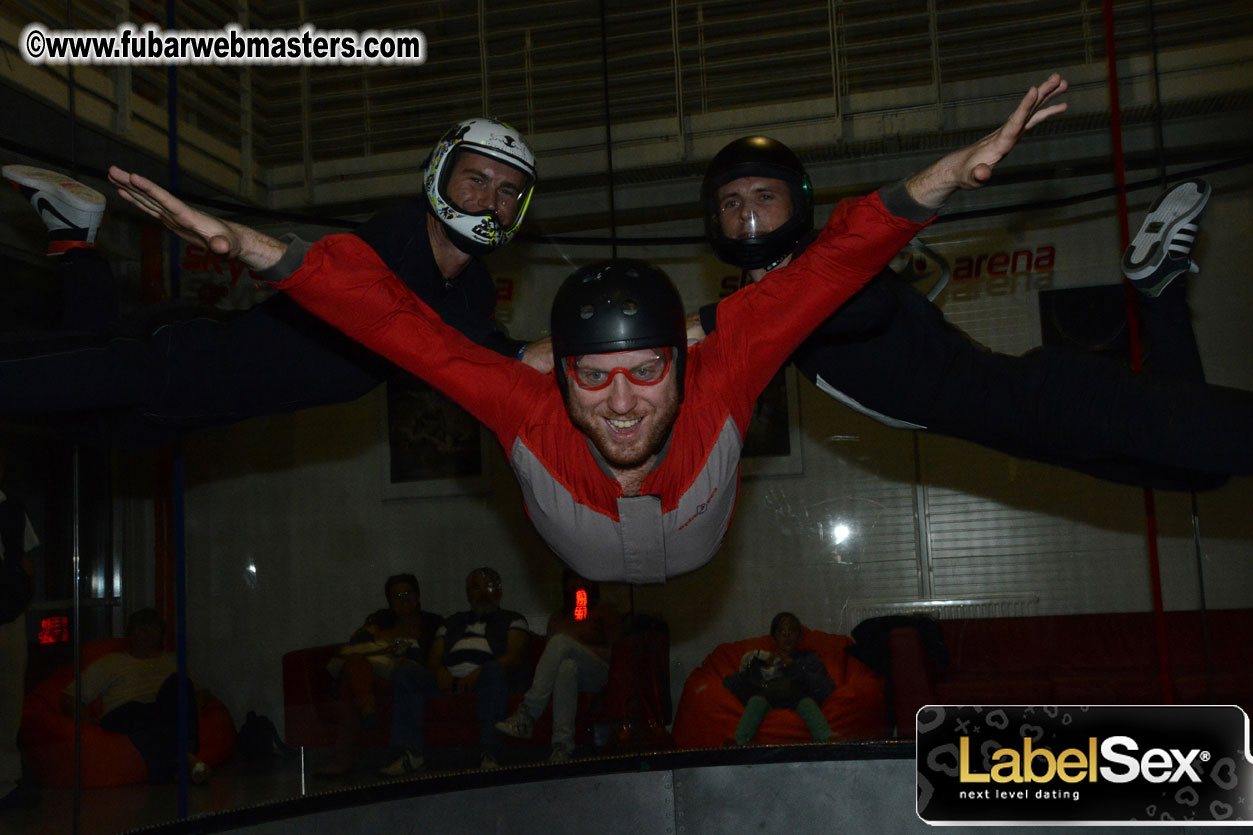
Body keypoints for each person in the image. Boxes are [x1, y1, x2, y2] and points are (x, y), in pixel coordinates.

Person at [109, 75, 1068, 581]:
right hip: (587, 544)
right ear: (556, 374)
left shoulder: (727, 368)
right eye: (591, 378)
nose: (616, 406)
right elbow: (388, 319)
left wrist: (946, 178)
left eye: (646, 373)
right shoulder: (521, 405)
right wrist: (248, 244)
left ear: (687, 363)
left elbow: (830, 263)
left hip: (687, 541)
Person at [694, 135, 1251, 491]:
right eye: (732, 203)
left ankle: (1159, 291)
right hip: (1024, 432)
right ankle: (1159, 288)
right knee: (1201, 474)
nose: (749, 215)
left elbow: (858, 310)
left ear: (796, 201)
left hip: (1054, 398)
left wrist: (714, 319)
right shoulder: (768, 310)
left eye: (765, 197)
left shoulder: (831, 268)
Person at [0, 118, 541, 446]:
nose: (490, 202)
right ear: (441, 175)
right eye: (476, 180)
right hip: (177, 359)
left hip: (203, 404)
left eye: (508, 192)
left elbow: (482, 355)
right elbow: (421, 326)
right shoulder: (394, 241)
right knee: (34, 388)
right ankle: (73, 235)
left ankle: (73, 237)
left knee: (79, 427)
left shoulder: (471, 290)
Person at [380, 567, 529, 774]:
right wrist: (441, 672)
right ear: (468, 594)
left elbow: (513, 656)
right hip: (449, 681)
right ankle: (411, 754)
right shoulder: (452, 622)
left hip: (486, 679)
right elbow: (433, 658)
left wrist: (476, 674)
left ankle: (489, 753)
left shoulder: (513, 619)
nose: (484, 592)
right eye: (476, 587)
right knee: (406, 673)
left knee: (494, 670)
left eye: (490, 586)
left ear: (500, 592)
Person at [60, 608, 208, 784]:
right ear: (130, 634)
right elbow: (70, 696)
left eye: (151, 628)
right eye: (140, 628)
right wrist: (87, 721)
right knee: (138, 712)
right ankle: (185, 759)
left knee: (177, 684)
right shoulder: (112, 662)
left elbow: (199, 693)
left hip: (162, 714)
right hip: (128, 714)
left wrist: (195, 709)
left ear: (161, 634)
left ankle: (177, 762)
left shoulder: (173, 661)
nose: (146, 634)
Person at [317, 573, 443, 777]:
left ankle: (344, 757)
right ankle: (368, 710)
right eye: (396, 595)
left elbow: (437, 657)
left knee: (354, 683)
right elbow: (355, 645)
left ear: (418, 596)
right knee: (355, 665)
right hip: (379, 678)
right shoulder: (381, 620)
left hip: (413, 676)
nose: (403, 599)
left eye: (407, 593)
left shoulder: (432, 622)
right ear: (390, 601)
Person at [495, 569, 622, 762]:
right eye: (573, 579)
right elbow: (551, 661)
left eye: (583, 578)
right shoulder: (557, 618)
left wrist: (587, 649)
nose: (578, 584)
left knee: (561, 642)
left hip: (601, 674)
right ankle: (562, 747)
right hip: (572, 676)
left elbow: (618, 653)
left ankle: (528, 713)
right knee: (566, 668)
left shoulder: (604, 611)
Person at [722, 612, 835, 746]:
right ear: (774, 638)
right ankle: (738, 743)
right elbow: (733, 683)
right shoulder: (764, 659)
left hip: (797, 698)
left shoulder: (807, 659)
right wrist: (760, 667)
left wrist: (794, 666)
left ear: (799, 637)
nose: (787, 635)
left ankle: (828, 740)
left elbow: (824, 687)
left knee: (807, 704)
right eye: (781, 631)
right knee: (756, 701)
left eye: (791, 631)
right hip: (767, 697)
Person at [0, 446, 41, 811]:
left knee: (10, 696)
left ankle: (6, 783)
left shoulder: (11, 506)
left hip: (9, 614)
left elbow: (26, 555)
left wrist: (25, 590)